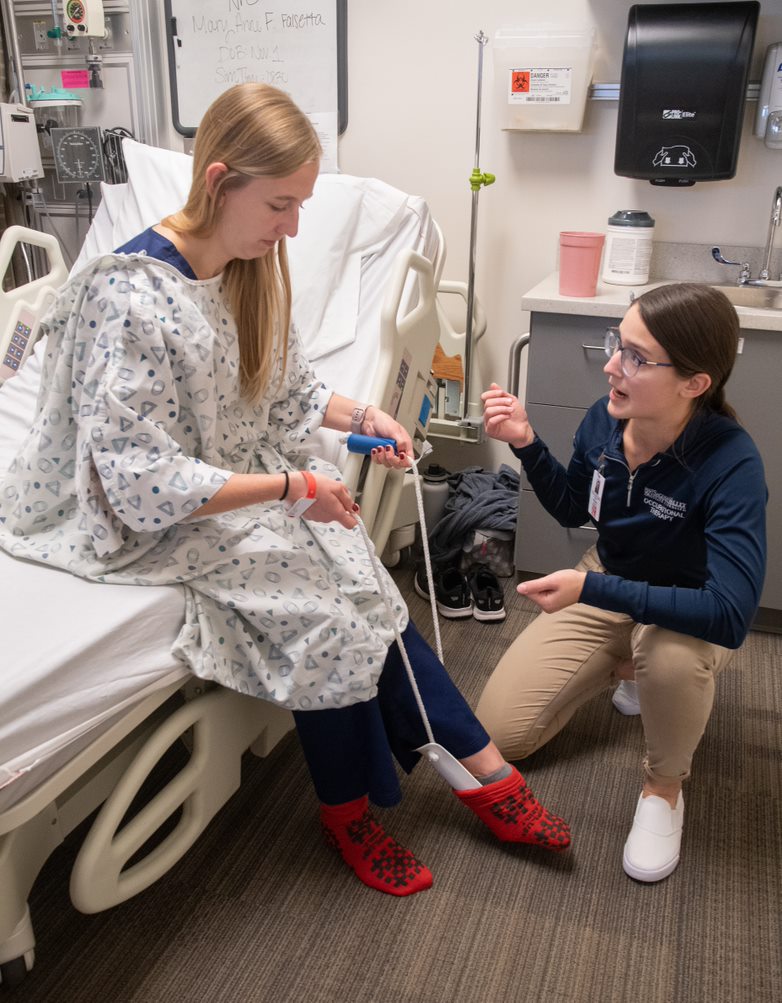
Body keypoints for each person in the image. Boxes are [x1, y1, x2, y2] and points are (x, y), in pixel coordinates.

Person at [0, 83, 570, 898]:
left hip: (226, 481)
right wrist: (294, 483)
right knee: (324, 616)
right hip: (134, 515)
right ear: (219, 179)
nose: (293, 227)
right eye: (280, 203)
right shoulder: (124, 298)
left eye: (303, 205)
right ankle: (357, 810)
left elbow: (288, 391)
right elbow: (138, 482)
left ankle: (481, 772)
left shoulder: (244, 267)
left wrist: (363, 412)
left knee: (361, 576)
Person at [477, 282, 766, 883]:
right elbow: (573, 511)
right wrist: (528, 446)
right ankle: (625, 661)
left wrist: (593, 592)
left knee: (668, 657)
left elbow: (731, 616)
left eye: (636, 355)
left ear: (694, 383)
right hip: (608, 579)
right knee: (498, 737)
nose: (612, 364)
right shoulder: (606, 419)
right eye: (618, 344)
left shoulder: (730, 462)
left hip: (685, 609)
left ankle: (663, 791)